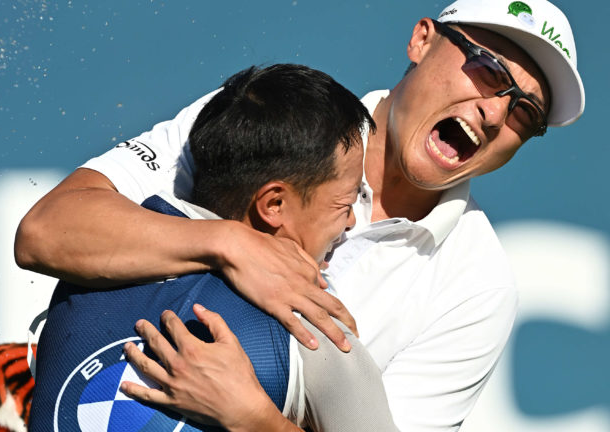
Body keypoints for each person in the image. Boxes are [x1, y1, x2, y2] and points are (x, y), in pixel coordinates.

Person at [15, 0, 585, 431]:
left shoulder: (476, 284)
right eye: (488, 71)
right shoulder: (276, 114)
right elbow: (44, 232)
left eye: (524, 114)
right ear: (421, 41)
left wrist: (254, 420)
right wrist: (231, 246)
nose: (493, 112)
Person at [28, 64, 397, 431]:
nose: (350, 222)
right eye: (345, 203)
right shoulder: (314, 334)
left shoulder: (88, 260)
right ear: (273, 205)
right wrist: (260, 422)